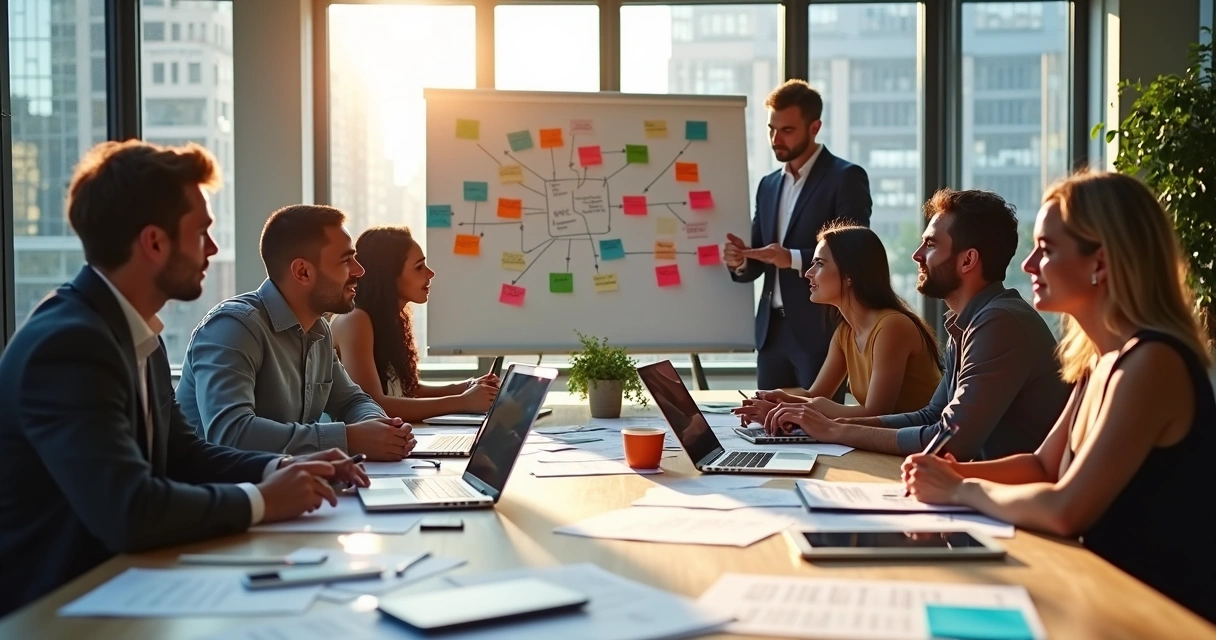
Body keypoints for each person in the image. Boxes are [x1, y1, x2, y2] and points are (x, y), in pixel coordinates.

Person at [0, 141, 368, 614]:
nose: (212, 249)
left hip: (124, 586)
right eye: (201, 233)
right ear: (155, 242)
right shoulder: (68, 345)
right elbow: (129, 511)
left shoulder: (137, 335)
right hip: (57, 609)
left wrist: (278, 469)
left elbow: (183, 453)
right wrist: (261, 500)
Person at [904, 172, 1216, 622]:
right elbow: (1043, 467)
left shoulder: (1153, 364)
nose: (1028, 264)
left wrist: (960, 487)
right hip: (1099, 593)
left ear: (1101, 263)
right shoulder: (1098, 360)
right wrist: (952, 471)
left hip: (1156, 618)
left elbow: (1066, 509)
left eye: (1046, 250)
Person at [756, 189, 1068, 461]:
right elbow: (931, 416)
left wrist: (834, 430)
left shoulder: (999, 323)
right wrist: (826, 427)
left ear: (967, 260)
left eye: (930, 245)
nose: (917, 255)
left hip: (1013, 510)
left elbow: (949, 441)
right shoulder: (969, 323)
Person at [176, 205, 416, 461]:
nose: (359, 271)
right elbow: (230, 434)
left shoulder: (318, 329)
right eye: (346, 260)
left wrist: (380, 430)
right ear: (303, 272)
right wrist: (350, 438)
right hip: (223, 495)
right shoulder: (233, 327)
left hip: (286, 487)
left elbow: (353, 401)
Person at [723, 79, 873, 390]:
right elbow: (760, 257)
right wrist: (741, 259)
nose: (776, 138)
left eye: (787, 130)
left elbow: (855, 253)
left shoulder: (845, 178)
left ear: (815, 127)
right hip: (771, 333)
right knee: (768, 427)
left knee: (818, 428)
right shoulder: (768, 186)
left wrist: (790, 258)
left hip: (819, 330)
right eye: (771, 129)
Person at [734, 223, 941, 422]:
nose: (808, 273)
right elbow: (815, 394)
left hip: (918, 448)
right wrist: (776, 400)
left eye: (819, 264)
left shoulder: (892, 326)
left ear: (849, 275)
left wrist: (793, 409)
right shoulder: (846, 332)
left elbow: (876, 413)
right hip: (884, 443)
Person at [331, 226, 499, 422]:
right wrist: (463, 401)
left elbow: (408, 390)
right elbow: (374, 404)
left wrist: (467, 387)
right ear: (389, 274)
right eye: (419, 267)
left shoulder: (389, 319)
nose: (430, 273)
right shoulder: (355, 320)